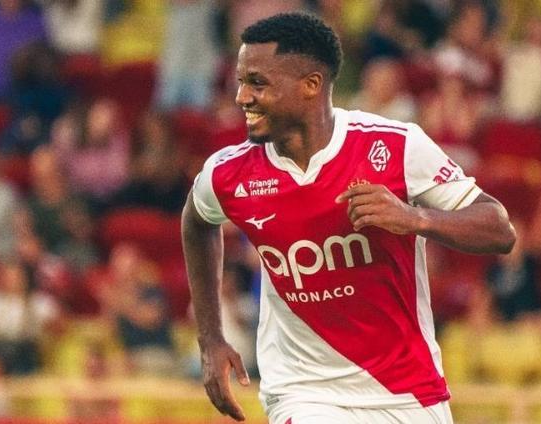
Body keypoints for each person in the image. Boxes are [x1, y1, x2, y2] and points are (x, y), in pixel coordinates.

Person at [182, 12, 515, 424]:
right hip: (304, 393)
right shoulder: (228, 173)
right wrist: (210, 338)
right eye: (240, 82)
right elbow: (196, 221)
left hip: (407, 393)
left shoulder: (395, 147)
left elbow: (499, 229)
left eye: (257, 83)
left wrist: (415, 218)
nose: (242, 97)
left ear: (311, 85)